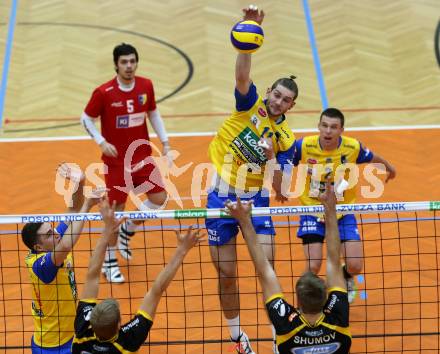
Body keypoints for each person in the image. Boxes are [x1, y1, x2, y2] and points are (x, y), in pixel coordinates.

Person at [205, 5, 298, 353]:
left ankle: (278, 336)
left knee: (268, 267)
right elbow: (242, 77)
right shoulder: (248, 105)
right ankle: (237, 337)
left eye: (286, 100)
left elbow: (283, 190)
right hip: (221, 196)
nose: (278, 102)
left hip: (256, 200)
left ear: (290, 107)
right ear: (269, 92)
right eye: (276, 94)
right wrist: (248, 40)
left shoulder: (286, 139)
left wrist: (272, 157)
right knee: (226, 275)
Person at [225, 180, 351, 354]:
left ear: (298, 301)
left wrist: (244, 221)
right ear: (325, 299)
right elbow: (334, 261)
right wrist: (331, 209)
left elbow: (264, 270)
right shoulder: (338, 314)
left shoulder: (285, 322)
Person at [80, 43, 171, 283]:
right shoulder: (104, 92)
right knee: (114, 212)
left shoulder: (145, 85)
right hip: (116, 162)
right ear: (116, 65)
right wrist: (100, 141)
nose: (129, 66)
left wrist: (166, 142)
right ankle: (109, 262)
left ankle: (128, 228)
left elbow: (153, 113)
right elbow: (86, 118)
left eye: (132, 61)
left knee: (159, 200)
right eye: (124, 62)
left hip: (141, 156)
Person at [72, 196, 204, 353]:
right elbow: (156, 291)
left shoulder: (82, 331)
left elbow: (92, 275)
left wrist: (107, 230)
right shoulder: (127, 340)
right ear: (119, 325)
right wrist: (182, 249)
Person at [291, 107, 396, 302]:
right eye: (324, 126)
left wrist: (388, 167)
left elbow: (372, 157)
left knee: (355, 265)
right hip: (313, 211)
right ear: (318, 126)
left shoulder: (352, 147)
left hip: (342, 212)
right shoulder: (304, 146)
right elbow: (284, 160)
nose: (328, 131)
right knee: (313, 265)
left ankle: (344, 275)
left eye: (333, 127)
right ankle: (306, 302)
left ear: (341, 130)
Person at [21, 163, 101, 354]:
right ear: (38, 247)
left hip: (69, 334)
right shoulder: (41, 266)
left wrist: (80, 181)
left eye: (53, 229)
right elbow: (67, 245)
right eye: (49, 234)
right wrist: (88, 206)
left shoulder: (54, 240)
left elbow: (73, 212)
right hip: (51, 346)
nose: (56, 234)